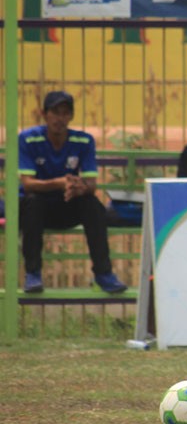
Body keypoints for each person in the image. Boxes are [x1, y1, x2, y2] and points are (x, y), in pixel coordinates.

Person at [17, 91, 127, 294]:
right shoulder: (27, 139)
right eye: (55, 112)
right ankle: (32, 273)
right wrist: (59, 183)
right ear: (44, 114)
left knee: (93, 205)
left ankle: (104, 274)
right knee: (33, 202)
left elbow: (92, 184)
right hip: (37, 210)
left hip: (67, 204)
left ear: (71, 116)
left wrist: (79, 187)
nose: (60, 118)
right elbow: (28, 184)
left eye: (65, 113)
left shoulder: (84, 141)